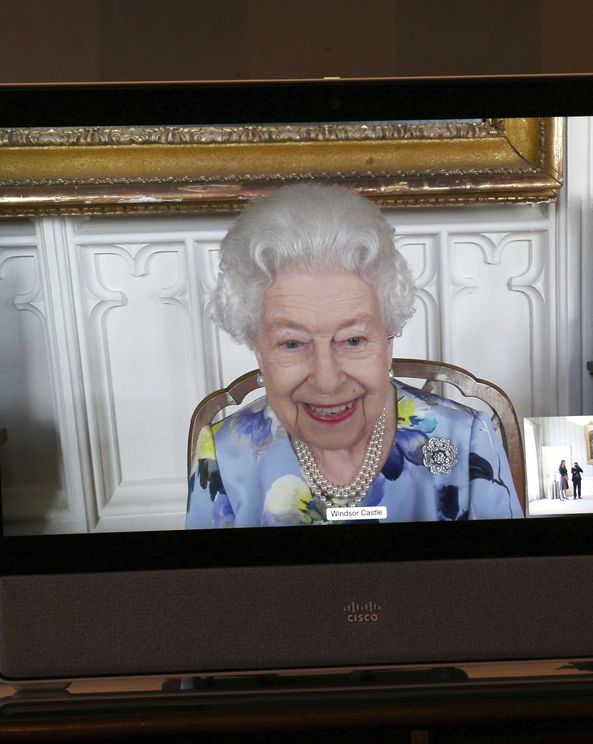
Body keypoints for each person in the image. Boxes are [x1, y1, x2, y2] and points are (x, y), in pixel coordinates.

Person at [186, 184, 524, 527]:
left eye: (353, 340)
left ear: (387, 340)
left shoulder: (464, 441)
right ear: (257, 348)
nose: (327, 381)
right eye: (292, 344)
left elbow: (508, 579)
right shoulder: (224, 458)